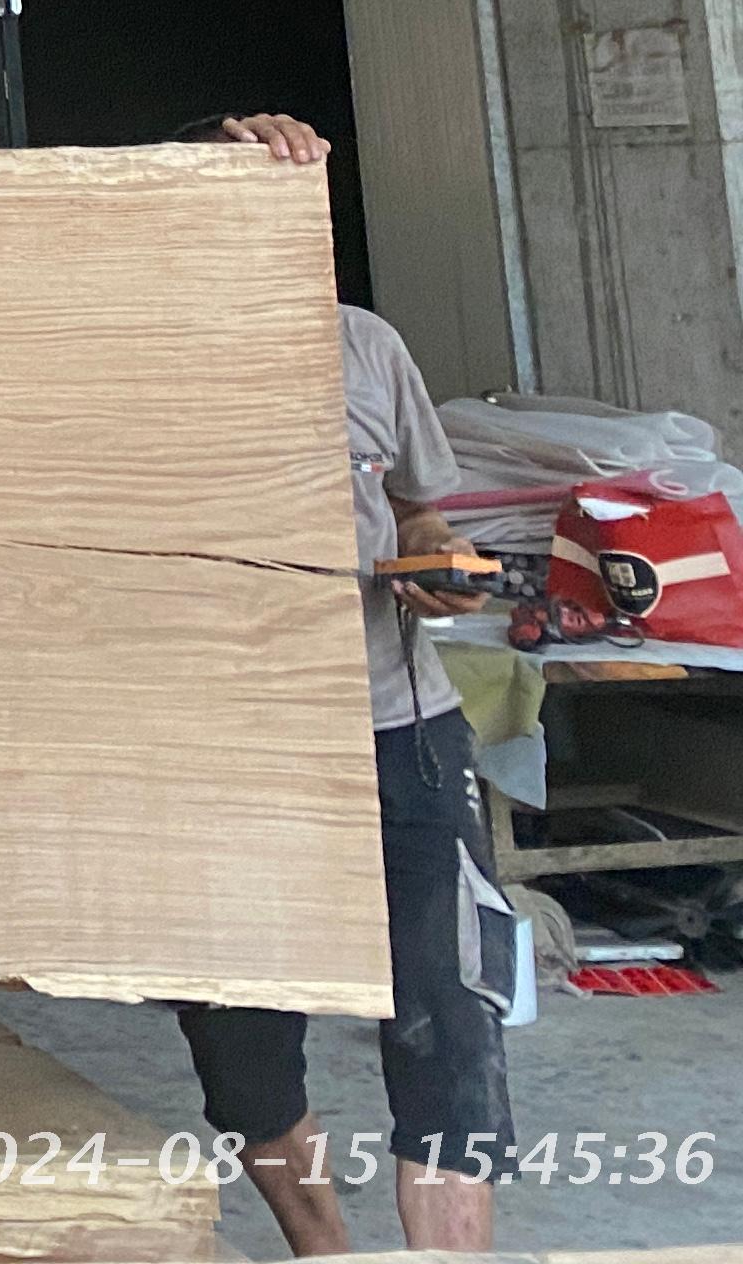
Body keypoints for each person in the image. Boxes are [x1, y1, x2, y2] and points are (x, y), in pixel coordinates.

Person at [167, 110, 511, 1258]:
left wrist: (436, 563)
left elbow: (419, 512)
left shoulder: (365, 345)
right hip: (221, 745)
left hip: (397, 726)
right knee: (240, 1033)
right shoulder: (131, 361)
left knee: (448, 1019)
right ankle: (325, 1248)